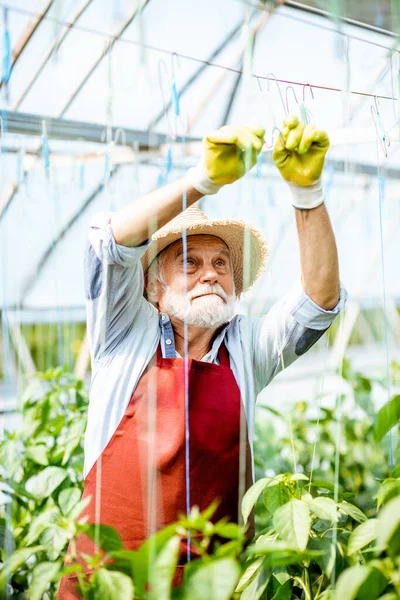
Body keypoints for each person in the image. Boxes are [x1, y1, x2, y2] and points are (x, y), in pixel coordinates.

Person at [58, 116, 346, 598]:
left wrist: (308, 194)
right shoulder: (123, 333)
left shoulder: (246, 348)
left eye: (220, 265)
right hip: (110, 581)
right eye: (188, 262)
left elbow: (318, 304)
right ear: (153, 285)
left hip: (210, 584)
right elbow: (108, 245)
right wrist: (202, 181)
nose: (209, 274)